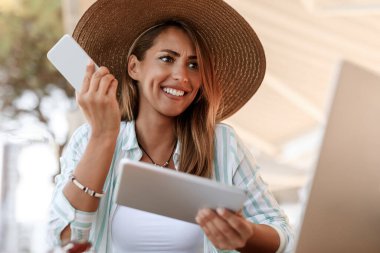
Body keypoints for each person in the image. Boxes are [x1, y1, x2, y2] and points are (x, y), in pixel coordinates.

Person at [48, 0, 294, 252]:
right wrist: (103, 136)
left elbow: (282, 233)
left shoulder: (222, 143)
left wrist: (246, 234)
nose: (182, 76)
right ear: (134, 67)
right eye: (167, 58)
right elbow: (65, 238)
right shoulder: (89, 139)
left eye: (193, 65)